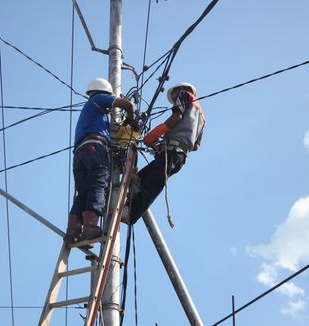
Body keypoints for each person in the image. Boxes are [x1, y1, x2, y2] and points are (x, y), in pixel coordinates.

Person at [65, 78, 137, 243]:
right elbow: (128, 106)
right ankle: (90, 226)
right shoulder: (98, 99)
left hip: (80, 154)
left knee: (83, 192)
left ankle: (73, 230)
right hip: (94, 148)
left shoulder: (93, 113)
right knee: (98, 184)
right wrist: (131, 120)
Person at [124, 82, 206, 225]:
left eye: (173, 95)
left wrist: (154, 135)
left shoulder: (184, 95)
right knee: (139, 178)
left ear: (180, 90)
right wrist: (170, 142)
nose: (173, 98)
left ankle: (131, 214)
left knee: (152, 183)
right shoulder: (202, 117)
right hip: (179, 156)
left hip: (172, 153)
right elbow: (196, 146)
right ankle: (128, 203)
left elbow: (176, 118)